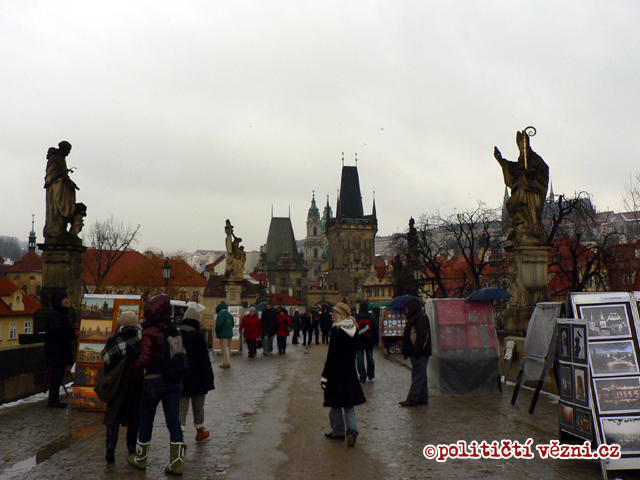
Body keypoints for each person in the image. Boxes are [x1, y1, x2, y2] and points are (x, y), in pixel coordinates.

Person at [128, 294, 185, 475]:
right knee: (173, 422)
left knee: (147, 420)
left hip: (153, 380)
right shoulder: (175, 329)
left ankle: (141, 458)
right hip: (174, 381)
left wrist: (132, 364)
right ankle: (176, 463)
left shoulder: (150, 331)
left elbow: (145, 360)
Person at [101, 311, 144, 463]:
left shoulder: (114, 339)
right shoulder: (141, 338)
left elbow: (106, 361)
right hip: (135, 382)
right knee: (133, 417)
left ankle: (110, 448)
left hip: (117, 384)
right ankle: (131, 449)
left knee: (114, 416)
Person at [321, 303, 366, 447]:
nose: (333, 314)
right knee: (348, 403)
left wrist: (325, 375)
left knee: (334, 403)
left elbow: (332, 355)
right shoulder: (353, 329)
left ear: (342, 314)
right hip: (349, 371)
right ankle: (352, 431)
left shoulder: (337, 330)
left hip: (335, 372)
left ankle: (338, 431)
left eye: (335, 312)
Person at [494, 129, 549, 244]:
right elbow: (512, 168)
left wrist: (530, 173)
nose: (521, 150)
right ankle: (521, 230)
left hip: (532, 192)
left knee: (531, 213)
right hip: (521, 192)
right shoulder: (521, 160)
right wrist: (501, 160)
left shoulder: (534, 159)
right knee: (513, 206)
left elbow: (543, 171)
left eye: (522, 147)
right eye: (519, 147)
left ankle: (533, 230)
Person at [178, 307, 215, 442]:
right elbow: (205, 360)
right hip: (198, 378)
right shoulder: (198, 337)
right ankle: (200, 431)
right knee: (198, 407)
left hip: (181, 377)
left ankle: (179, 438)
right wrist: (209, 379)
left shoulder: (178, 335)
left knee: (182, 408)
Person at [44, 291, 77, 408]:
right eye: (64, 299)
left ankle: (54, 399)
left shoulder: (59, 313)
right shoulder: (55, 315)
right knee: (56, 376)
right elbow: (58, 332)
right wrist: (72, 335)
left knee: (58, 376)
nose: (66, 301)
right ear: (59, 301)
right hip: (56, 351)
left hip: (59, 351)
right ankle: (53, 400)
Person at [400, 298, 432, 407]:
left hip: (419, 352)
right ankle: (423, 398)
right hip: (418, 351)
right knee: (421, 374)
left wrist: (417, 350)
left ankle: (412, 398)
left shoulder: (420, 318)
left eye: (407, 307)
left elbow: (422, 335)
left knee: (417, 375)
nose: (406, 309)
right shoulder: (417, 317)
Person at [355, 301, 378, 383]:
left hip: (358, 341)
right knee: (370, 358)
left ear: (360, 308)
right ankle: (371, 375)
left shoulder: (356, 317)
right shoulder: (371, 317)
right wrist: (376, 340)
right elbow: (375, 330)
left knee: (360, 359)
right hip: (369, 341)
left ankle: (362, 376)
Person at [215, 301, 234, 368]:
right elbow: (233, 324)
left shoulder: (221, 314)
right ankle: (228, 361)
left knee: (224, 348)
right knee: (229, 348)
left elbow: (219, 324)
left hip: (223, 333)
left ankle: (226, 362)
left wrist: (216, 330)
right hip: (230, 333)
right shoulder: (229, 314)